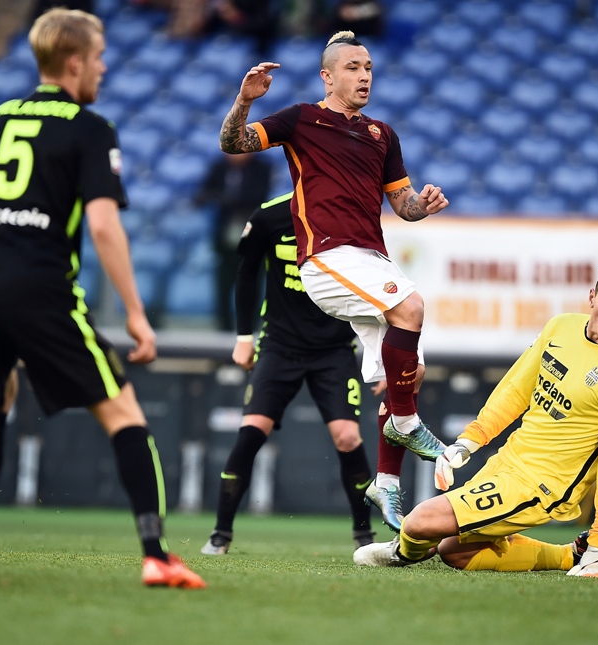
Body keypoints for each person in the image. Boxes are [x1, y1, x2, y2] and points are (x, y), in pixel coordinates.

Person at [0, 8, 205, 589]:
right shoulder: (89, 127)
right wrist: (134, 311)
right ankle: (156, 556)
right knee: (123, 412)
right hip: (41, 288)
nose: (103, 67)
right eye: (98, 57)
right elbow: (103, 227)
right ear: (75, 62)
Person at [217, 31, 450, 532]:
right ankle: (409, 426)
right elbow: (232, 142)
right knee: (411, 310)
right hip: (326, 259)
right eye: (353, 67)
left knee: (404, 377)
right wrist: (244, 100)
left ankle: (385, 481)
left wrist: (422, 206)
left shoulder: (382, 135)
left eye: (368, 67)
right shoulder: (301, 119)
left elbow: (402, 204)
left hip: (371, 260)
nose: (364, 75)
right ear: (328, 75)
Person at [353, 259, 598, 578]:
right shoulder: (561, 327)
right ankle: (570, 555)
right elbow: (515, 390)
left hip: (542, 486)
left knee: (420, 522)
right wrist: (469, 441)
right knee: (455, 552)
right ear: (592, 296)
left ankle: (404, 551)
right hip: (507, 461)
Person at [201, 191, 377, 554]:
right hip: (280, 345)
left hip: (334, 349)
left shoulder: (350, 215)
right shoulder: (269, 215)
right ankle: (220, 535)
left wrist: (381, 358)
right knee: (252, 431)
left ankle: (365, 536)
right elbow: (246, 273)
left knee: (347, 437)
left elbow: (376, 289)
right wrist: (244, 337)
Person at [195, 151, 272, 331]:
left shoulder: (262, 168)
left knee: (253, 285)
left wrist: (225, 199)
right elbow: (201, 195)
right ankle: (224, 332)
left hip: (253, 236)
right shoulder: (218, 167)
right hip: (225, 238)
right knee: (223, 285)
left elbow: (258, 196)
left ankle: (251, 332)